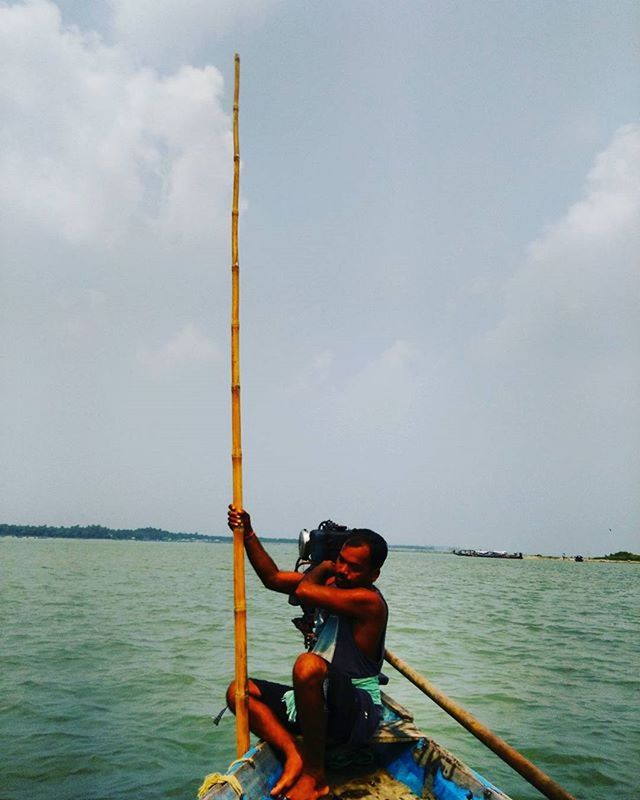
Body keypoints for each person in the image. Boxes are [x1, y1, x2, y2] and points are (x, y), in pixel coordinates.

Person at [226, 506, 388, 800]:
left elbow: (303, 592)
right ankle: (294, 755)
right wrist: (247, 533)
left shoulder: (368, 602)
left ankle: (316, 776)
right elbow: (272, 578)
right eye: (341, 561)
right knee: (239, 691)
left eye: (354, 568)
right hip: (322, 701)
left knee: (308, 665)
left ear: (374, 575)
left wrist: (323, 567)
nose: (343, 570)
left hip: (356, 710)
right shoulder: (330, 583)